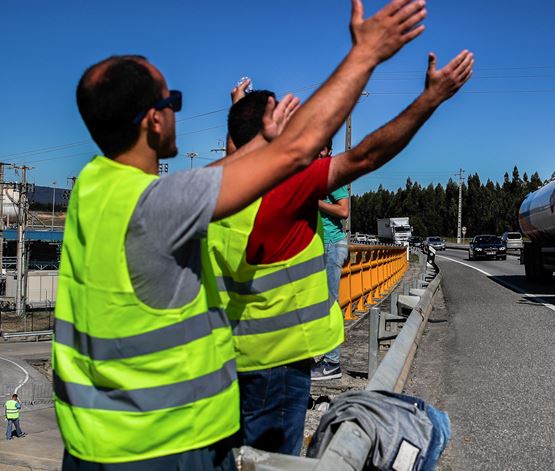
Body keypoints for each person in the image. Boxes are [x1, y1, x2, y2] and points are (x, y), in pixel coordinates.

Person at [53, 1, 427, 468]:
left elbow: (208, 177)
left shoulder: (95, 187)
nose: (176, 113)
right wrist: (366, 54)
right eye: (174, 103)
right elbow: (302, 152)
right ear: (153, 120)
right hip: (165, 445)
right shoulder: (160, 207)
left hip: (93, 442)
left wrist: (250, 138)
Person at [208, 49, 473, 455]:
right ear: (272, 131)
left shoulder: (204, 191)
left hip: (224, 357)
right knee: (275, 461)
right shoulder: (286, 189)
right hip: (281, 360)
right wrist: (429, 100)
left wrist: (240, 117)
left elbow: (237, 153)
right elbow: (367, 154)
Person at [312, 139, 350, 381]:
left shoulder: (330, 175)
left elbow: (344, 211)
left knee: (329, 303)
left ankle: (332, 362)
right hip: (317, 245)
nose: (317, 152)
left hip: (331, 245)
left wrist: (314, 201)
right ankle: (316, 357)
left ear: (328, 151)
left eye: (322, 149)